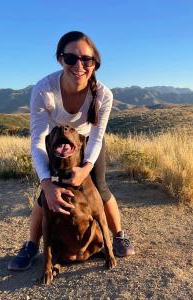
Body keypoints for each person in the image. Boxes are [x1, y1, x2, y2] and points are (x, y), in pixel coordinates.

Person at [8, 31, 135, 271]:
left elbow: (97, 138)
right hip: (56, 141)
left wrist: (85, 168)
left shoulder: (103, 95)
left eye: (87, 60)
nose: (79, 65)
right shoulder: (44, 90)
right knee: (45, 195)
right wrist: (46, 183)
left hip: (87, 141)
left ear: (94, 63)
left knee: (100, 186)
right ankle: (31, 245)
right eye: (71, 59)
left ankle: (118, 236)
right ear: (60, 59)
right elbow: (37, 140)